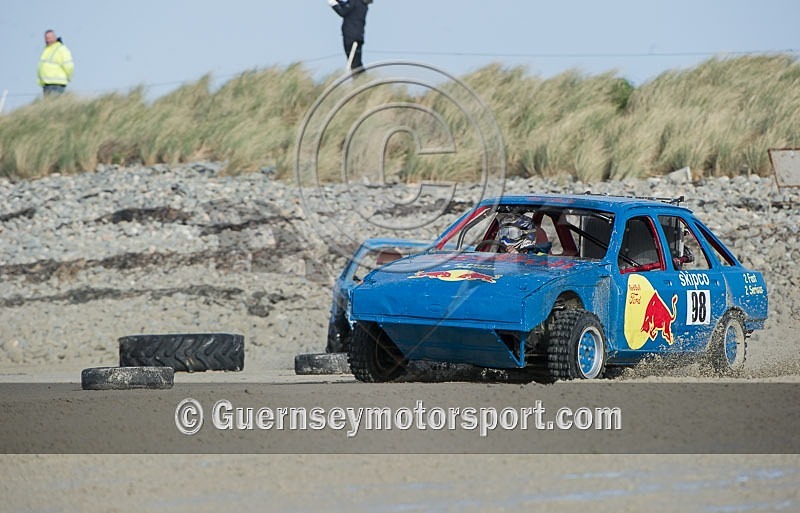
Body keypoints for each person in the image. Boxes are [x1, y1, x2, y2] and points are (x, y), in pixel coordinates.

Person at [328, 0, 372, 73]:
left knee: (353, 63)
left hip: (351, 36)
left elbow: (343, 12)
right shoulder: (362, 4)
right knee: (356, 62)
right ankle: (362, 79)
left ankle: (360, 80)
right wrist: (338, 1)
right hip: (358, 36)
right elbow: (348, 6)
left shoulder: (355, 2)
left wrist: (333, 4)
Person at [37, 30, 74, 96]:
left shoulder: (61, 49)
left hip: (57, 84)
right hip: (46, 84)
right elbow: (42, 66)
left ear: (55, 38)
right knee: (48, 105)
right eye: (46, 38)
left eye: (49, 38)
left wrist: (69, 77)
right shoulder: (46, 49)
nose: (48, 40)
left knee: (55, 103)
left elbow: (68, 66)